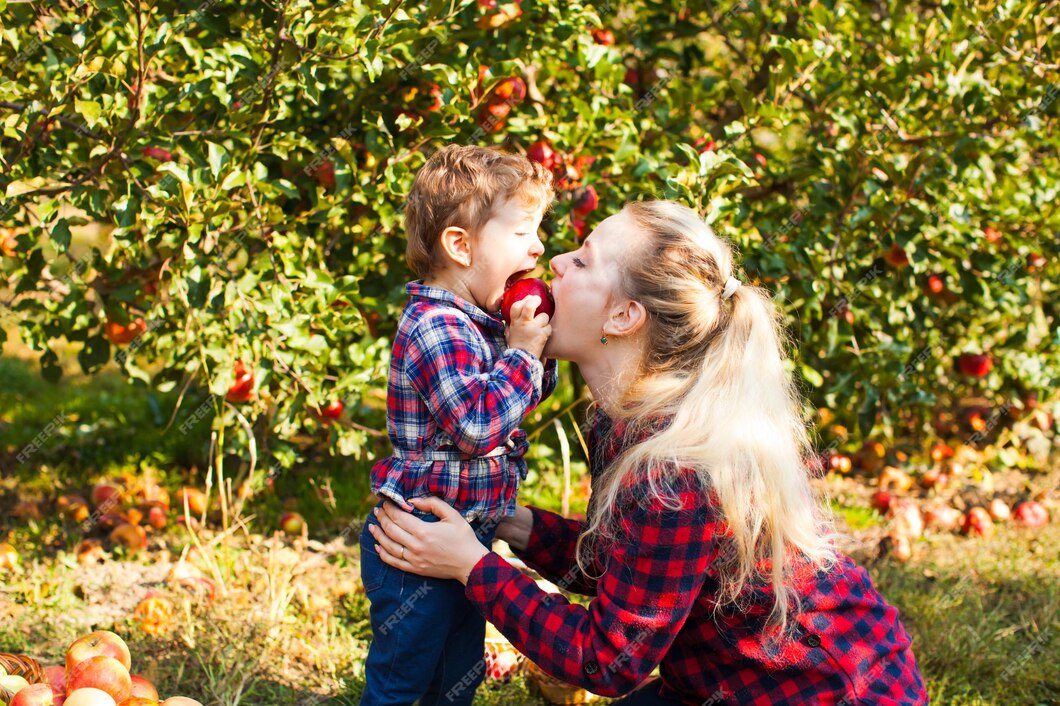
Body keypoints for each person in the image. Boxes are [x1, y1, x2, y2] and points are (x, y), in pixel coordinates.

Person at [368, 200, 929, 705]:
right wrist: (511, 523)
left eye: (583, 262)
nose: (555, 262)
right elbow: (627, 570)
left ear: (623, 317)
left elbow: (607, 659)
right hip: (718, 685)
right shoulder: (623, 422)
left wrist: (472, 566)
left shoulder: (674, 469)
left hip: (826, 694)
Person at [358, 144, 558, 706]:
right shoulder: (434, 327)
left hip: (463, 542)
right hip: (415, 550)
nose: (539, 247)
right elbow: (477, 425)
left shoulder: (481, 324)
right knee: (403, 680)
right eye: (523, 233)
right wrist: (521, 353)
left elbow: (520, 400)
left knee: (456, 679)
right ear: (461, 245)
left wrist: (537, 348)